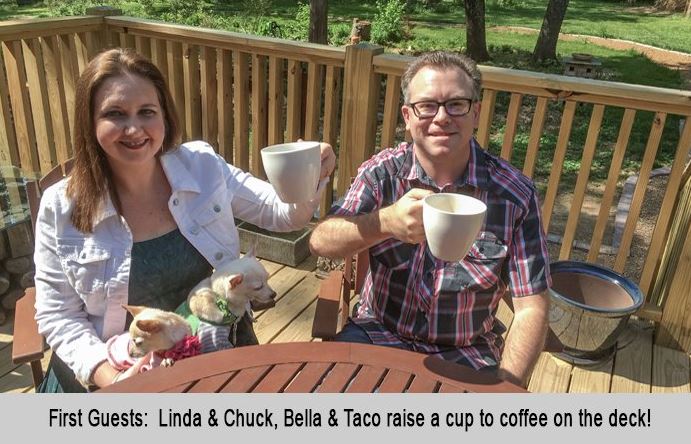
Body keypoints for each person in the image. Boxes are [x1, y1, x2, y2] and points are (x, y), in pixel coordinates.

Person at [33, 48, 336, 392]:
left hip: (211, 346)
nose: (134, 129)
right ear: (90, 123)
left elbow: (283, 214)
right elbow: (58, 315)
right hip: (112, 368)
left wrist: (311, 172)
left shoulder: (202, 167)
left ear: (165, 116)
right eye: (115, 114)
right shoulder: (61, 207)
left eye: (147, 112)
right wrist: (112, 379)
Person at [308, 51, 550, 387]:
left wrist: (506, 388)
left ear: (475, 112)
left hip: (466, 353)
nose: (442, 118)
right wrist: (384, 223)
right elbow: (321, 241)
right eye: (427, 106)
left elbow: (531, 308)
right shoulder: (381, 175)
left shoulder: (514, 196)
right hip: (377, 335)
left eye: (456, 105)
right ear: (407, 116)